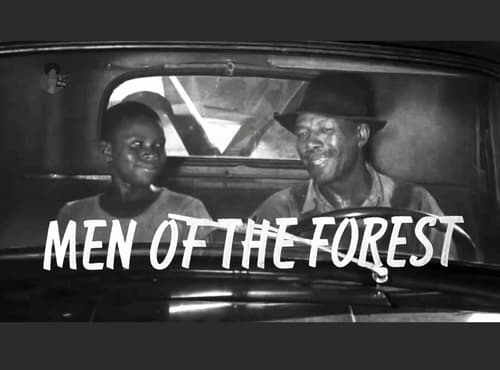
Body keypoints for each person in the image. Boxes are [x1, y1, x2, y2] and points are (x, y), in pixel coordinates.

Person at [251, 73, 457, 258]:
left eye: (326, 130)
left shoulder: (415, 205)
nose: (310, 143)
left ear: (360, 135)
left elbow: (449, 281)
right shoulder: (281, 211)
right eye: (303, 133)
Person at [57, 101, 213, 244]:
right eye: (137, 144)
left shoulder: (188, 211)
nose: (152, 154)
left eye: (159, 144)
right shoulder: (74, 215)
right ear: (108, 150)